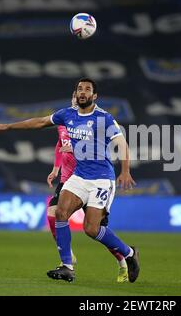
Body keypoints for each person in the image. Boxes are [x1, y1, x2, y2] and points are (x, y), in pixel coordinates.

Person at [0, 77, 140, 283]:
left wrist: (125, 170)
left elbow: (121, 143)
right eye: (80, 89)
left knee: (91, 229)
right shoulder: (66, 114)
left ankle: (129, 253)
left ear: (94, 96)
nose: (83, 92)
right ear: (76, 93)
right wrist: (9, 126)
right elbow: (40, 122)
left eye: (87, 89)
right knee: (60, 212)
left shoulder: (103, 118)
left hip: (102, 179)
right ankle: (67, 266)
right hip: (79, 176)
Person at [46, 93, 129, 283]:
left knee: (96, 229)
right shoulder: (64, 122)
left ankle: (123, 260)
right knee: (54, 213)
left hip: (92, 179)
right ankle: (67, 259)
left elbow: (95, 148)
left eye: (80, 96)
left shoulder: (93, 124)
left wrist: (76, 150)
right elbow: (60, 145)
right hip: (70, 179)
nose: (76, 100)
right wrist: (55, 169)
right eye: (74, 97)